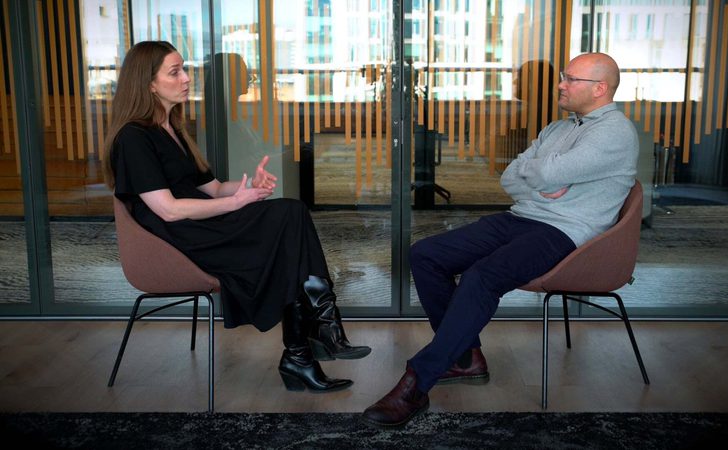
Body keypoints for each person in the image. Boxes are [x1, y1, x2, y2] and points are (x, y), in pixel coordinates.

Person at [361, 52, 639, 427]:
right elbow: (510, 177)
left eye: (571, 79)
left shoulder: (614, 132)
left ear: (600, 89)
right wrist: (541, 183)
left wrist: (541, 175)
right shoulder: (559, 129)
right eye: (564, 76)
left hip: (566, 233)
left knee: (482, 276)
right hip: (522, 218)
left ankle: (417, 381)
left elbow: (545, 172)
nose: (561, 84)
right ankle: (465, 357)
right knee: (426, 254)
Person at [102, 41, 371, 394]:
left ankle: (308, 346)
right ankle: (314, 338)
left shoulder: (173, 129)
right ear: (148, 83)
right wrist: (235, 205)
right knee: (289, 219)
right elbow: (167, 208)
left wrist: (249, 188)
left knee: (290, 220)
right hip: (179, 239)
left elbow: (212, 189)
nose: (186, 78)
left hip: (201, 225)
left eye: (184, 69)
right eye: (175, 72)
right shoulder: (134, 138)